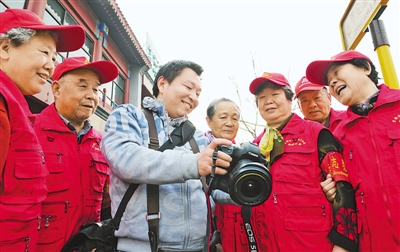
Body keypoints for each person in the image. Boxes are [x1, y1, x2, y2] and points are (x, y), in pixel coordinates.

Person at [100, 60, 233, 252]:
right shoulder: (128, 116)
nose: (193, 97)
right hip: (141, 248)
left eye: (198, 93)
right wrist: (194, 164)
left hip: (198, 247)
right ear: (162, 84)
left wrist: (243, 185)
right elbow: (125, 160)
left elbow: (213, 188)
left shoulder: (197, 137)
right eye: (188, 87)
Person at [0, 8, 84, 251]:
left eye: (54, 57)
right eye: (44, 53)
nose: (50, 66)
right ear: (5, 49)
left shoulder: (16, 108)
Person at [249, 72, 357, 251]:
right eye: (262, 98)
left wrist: (343, 244)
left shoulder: (316, 134)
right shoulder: (255, 146)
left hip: (314, 243)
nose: (268, 101)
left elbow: (342, 188)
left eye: (275, 95)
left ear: (290, 100)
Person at [306, 50, 400, 251]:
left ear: (365, 68)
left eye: (337, 72)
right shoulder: (337, 135)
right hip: (374, 243)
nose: (332, 83)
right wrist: (332, 191)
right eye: (329, 82)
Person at [32, 56, 118, 251]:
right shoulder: (29, 131)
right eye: (82, 86)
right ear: (56, 89)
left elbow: (108, 202)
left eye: (95, 89)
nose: (91, 96)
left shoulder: (103, 144)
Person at [204, 98, 247, 251]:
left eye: (234, 118)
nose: (229, 123)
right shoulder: (198, 152)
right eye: (223, 117)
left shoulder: (243, 155)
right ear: (209, 121)